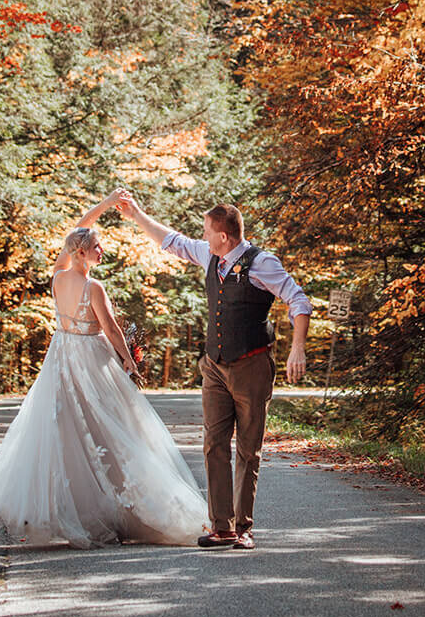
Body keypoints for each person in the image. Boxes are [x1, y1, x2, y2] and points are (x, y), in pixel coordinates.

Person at [0, 190, 207, 548]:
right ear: (81, 252)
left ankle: (82, 509)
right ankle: (123, 509)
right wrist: (128, 360)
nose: (102, 251)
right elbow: (110, 329)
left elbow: (78, 229)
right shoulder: (93, 287)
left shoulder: (58, 277)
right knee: (116, 427)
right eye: (96, 247)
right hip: (91, 360)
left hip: (62, 357)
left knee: (70, 433)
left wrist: (107, 204)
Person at [116, 194, 311, 550]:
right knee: (213, 446)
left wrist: (297, 347)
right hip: (215, 366)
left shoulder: (261, 262)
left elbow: (298, 300)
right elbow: (171, 242)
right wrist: (137, 215)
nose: (203, 237)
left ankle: (244, 527)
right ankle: (221, 527)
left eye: (207, 232)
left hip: (252, 364)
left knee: (248, 449)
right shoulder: (211, 255)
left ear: (224, 235)